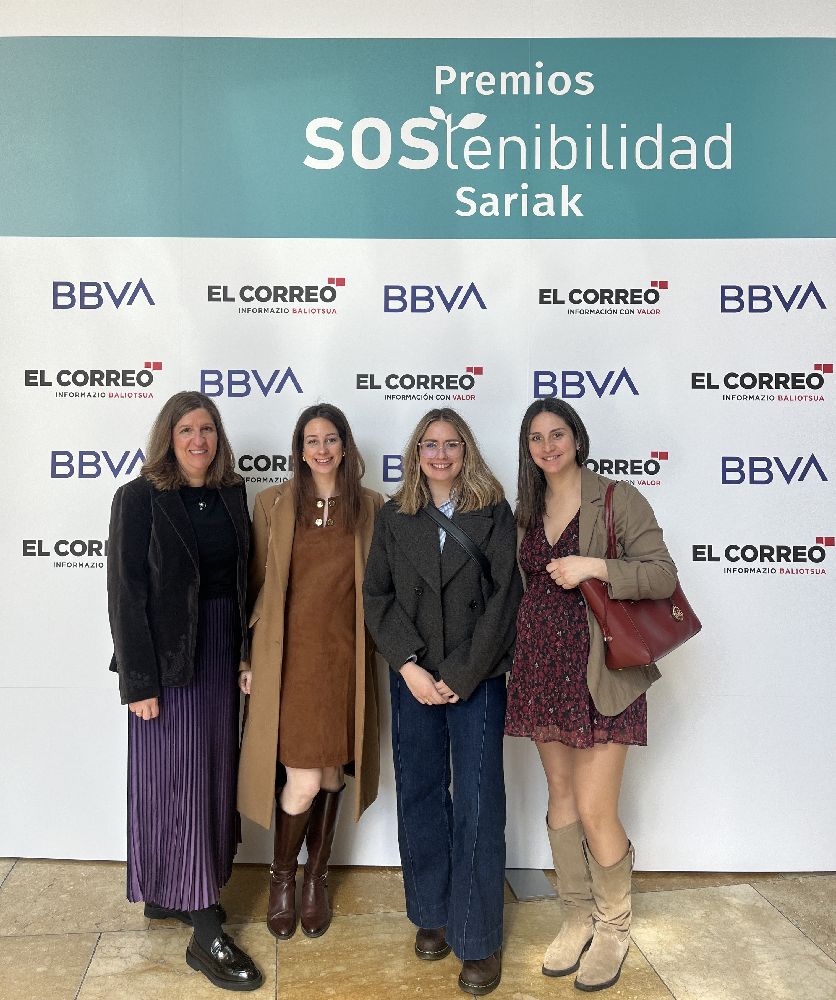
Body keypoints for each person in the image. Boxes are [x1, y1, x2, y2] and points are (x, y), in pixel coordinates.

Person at [505, 398, 678, 993]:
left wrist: (592, 565)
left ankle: (614, 927)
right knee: (560, 797)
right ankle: (575, 916)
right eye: (535, 438)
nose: (547, 445)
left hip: (601, 673)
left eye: (557, 434)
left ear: (577, 439)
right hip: (540, 669)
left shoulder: (615, 497)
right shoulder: (526, 507)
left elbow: (661, 573)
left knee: (597, 807)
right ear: (527, 449)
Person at [363, 408, 522, 997]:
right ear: (415, 453)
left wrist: (459, 673)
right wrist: (409, 666)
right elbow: (376, 596)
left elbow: (506, 600)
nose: (439, 454)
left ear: (466, 451)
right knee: (422, 793)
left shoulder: (494, 514)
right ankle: (430, 912)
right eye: (429, 445)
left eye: (450, 444)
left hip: (476, 681)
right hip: (412, 682)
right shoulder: (393, 517)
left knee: (479, 804)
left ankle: (478, 939)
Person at [107, 390, 263, 992]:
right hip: (168, 666)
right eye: (186, 430)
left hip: (221, 652)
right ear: (167, 438)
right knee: (177, 781)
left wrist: (246, 653)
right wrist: (138, 682)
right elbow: (127, 595)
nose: (198, 440)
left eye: (207, 430)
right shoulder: (140, 498)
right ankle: (204, 933)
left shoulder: (230, 494)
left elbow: (245, 581)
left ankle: (174, 892)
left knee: (212, 777)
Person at [237, 403, 383, 941]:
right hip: (289, 662)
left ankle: (315, 879)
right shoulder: (272, 503)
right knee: (300, 780)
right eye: (311, 440)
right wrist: (246, 657)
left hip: (346, 661)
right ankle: (283, 878)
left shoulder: (371, 507)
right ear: (299, 449)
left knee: (330, 775)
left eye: (331, 439)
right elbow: (253, 587)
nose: (321, 449)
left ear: (345, 445)